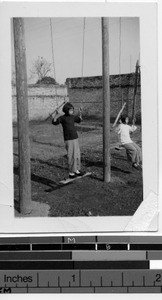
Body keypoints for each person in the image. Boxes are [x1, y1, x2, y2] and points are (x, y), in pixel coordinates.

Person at [52, 102, 84, 178]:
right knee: (71, 155)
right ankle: (71, 172)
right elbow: (54, 122)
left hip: (75, 138)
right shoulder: (63, 118)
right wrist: (57, 115)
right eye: (70, 110)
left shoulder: (73, 117)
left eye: (72, 110)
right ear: (66, 110)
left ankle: (77, 170)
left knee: (77, 154)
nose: (72, 111)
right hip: (68, 139)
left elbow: (79, 120)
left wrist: (80, 112)